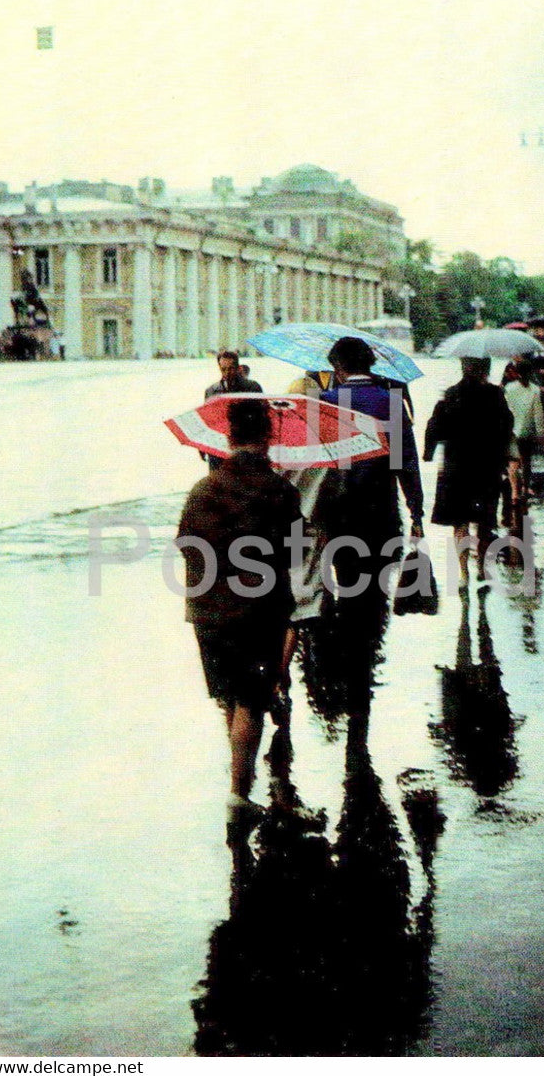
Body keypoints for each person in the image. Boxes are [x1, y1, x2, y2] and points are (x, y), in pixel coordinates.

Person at [176, 398, 302, 834]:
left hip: (207, 609)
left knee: (230, 697)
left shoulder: (203, 488)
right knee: (252, 700)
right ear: (268, 436)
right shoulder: (281, 490)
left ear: (228, 438)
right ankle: (238, 796)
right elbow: (296, 553)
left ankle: (239, 777)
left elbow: (186, 545)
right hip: (259, 609)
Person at [321, 336, 424, 609]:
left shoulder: (326, 403)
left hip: (339, 511)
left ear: (338, 368)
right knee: (377, 588)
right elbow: (406, 464)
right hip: (382, 510)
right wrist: (416, 512)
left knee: (346, 582)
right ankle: (371, 637)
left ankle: (349, 639)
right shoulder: (390, 403)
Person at [423, 356, 513, 585]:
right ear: (487, 369)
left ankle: (463, 573)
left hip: (456, 468)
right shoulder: (495, 395)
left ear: (463, 367)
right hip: (486, 467)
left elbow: (434, 426)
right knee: (484, 521)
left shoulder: (452, 394)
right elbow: (506, 426)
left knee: (459, 523)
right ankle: (482, 568)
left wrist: (428, 452)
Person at [202, 350, 263, 471]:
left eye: (230, 369)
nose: (227, 373)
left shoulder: (252, 387)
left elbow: (261, 417)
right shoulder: (211, 391)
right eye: (223, 369)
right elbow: (208, 419)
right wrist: (203, 448)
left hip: (245, 445)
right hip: (218, 446)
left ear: (237, 368)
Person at [504, 358, 544, 504]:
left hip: (512, 431)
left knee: (513, 462)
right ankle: (525, 488)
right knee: (526, 461)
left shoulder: (509, 389)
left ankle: (514, 492)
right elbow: (538, 414)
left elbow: (506, 411)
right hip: (527, 431)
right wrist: (541, 434)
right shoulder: (535, 390)